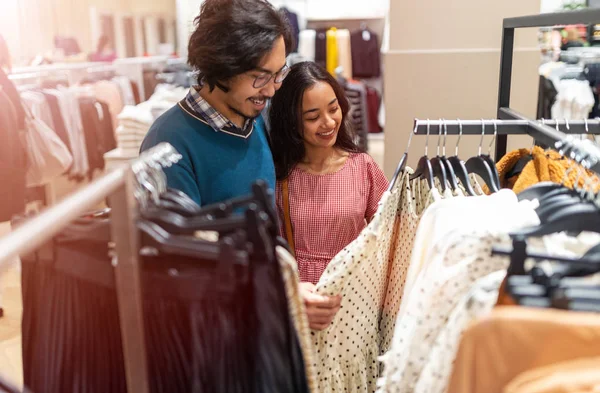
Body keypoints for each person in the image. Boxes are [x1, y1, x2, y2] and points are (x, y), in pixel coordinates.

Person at [269, 62, 389, 330]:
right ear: (291, 122)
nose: (328, 122)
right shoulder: (279, 176)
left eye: (333, 108)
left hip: (357, 299)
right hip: (301, 301)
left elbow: (388, 234)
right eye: (312, 117)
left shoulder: (363, 167)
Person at [140, 0, 293, 206]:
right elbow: (180, 237)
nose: (271, 90)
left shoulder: (256, 120)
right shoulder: (167, 143)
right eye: (260, 76)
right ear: (221, 65)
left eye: (278, 74)